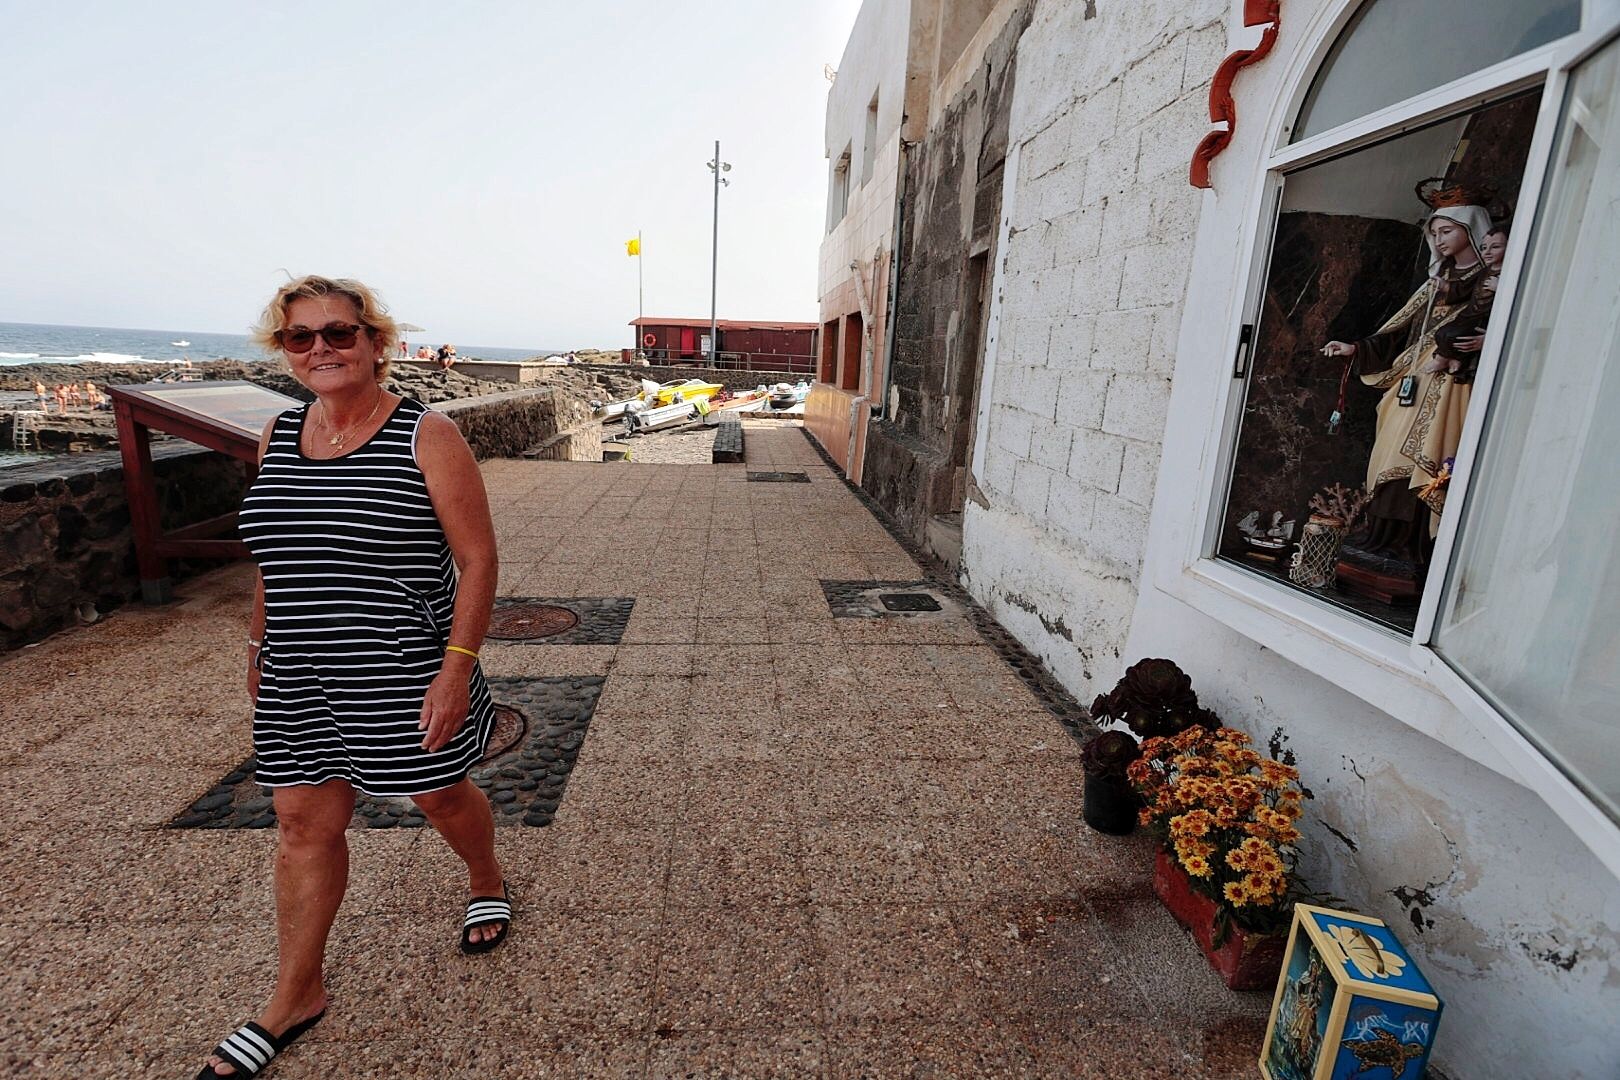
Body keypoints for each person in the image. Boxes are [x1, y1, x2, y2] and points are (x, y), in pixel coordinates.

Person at [197, 276, 507, 1079]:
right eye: (301, 338)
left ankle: (485, 875)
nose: (322, 349)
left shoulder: (425, 435)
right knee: (301, 824)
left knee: (437, 795)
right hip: (299, 670)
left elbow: (477, 560)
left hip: (401, 666)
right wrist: (261, 648)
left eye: (339, 333)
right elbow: (273, 554)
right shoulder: (278, 431)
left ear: (376, 343)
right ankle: (296, 993)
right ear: (285, 351)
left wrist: (455, 670)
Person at [1319, 202, 1495, 560]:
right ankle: (1381, 538)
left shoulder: (1489, 281)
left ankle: (1410, 547)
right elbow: (1398, 327)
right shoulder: (1437, 280)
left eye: (1446, 230)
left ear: (1471, 229)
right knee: (1389, 451)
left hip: (1449, 383)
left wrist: (1482, 343)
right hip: (1412, 376)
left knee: (1428, 452)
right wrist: (1354, 347)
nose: (1439, 239)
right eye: (1434, 233)